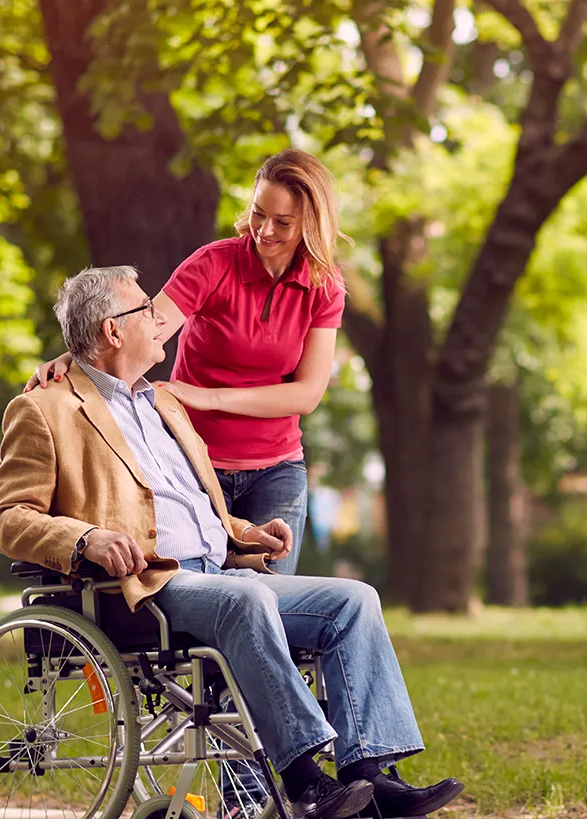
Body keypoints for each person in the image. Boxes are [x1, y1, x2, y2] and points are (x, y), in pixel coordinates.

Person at [0, 265, 462, 819]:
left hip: (218, 575)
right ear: (113, 331)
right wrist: (85, 539)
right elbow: (7, 518)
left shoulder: (163, 403)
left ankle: (369, 775)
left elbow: (186, 504)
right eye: (145, 311)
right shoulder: (45, 409)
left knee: (353, 601)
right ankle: (308, 784)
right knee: (244, 602)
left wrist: (244, 534)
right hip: (142, 587)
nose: (160, 320)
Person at [26, 148, 347, 577]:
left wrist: (208, 397)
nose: (265, 231)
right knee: (211, 606)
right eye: (258, 214)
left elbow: (306, 394)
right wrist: (75, 352)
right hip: (195, 464)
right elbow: (140, 327)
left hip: (277, 470)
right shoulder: (214, 264)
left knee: (276, 603)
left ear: (311, 222)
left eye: (283, 223)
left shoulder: (324, 288)